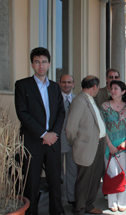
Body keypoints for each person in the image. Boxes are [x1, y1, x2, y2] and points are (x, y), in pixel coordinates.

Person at [14, 47, 65, 215]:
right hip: (32, 142)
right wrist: (44, 134)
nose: (41, 65)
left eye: (44, 62)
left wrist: (53, 134)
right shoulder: (22, 85)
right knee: (31, 183)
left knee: (55, 183)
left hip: (53, 142)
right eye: (37, 62)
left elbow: (60, 112)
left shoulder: (55, 88)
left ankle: (56, 212)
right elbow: (23, 114)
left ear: (49, 64)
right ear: (32, 64)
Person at [66, 76, 106, 215]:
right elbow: (71, 127)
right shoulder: (79, 101)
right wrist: (76, 143)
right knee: (84, 180)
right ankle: (79, 209)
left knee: (95, 179)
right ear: (94, 86)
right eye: (98, 87)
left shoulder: (91, 99)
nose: (98, 90)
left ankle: (89, 205)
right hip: (86, 147)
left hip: (99, 144)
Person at [100, 80, 126, 212]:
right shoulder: (105, 106)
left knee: (123, 172)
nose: (112, 91)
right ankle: (112, 202)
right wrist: (109, 144)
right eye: (111, 89)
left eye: (116, 88)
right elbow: (102, 127)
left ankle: (122, 202)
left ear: (123, 91)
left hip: (123, 144)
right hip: (109, 144)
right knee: (111, 173)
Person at [58, 74, 77, 206]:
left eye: (69, 82)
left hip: (74, 142)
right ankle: (58, 200)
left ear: (73, 84)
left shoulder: (77, 100)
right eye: (64, 82)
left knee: (72, 171)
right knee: (57, 173)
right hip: (57, 140)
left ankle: (72, 198)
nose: (66, 85)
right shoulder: (54, 99)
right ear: (60, 84)